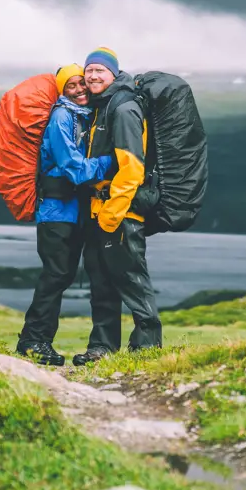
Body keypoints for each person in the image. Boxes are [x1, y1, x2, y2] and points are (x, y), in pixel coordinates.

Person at [16, 64, 113, 366]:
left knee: (61, 275)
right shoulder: (61, 117)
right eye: (71, 86)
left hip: (71, 212)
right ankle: (33, 342)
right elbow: (73, 167)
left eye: (81, 83)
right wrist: (112, 162)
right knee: (56, 275)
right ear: (62, 91)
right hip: (56, 211)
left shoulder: (82, 116)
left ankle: (38, 341)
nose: (80, 89)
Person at [72, 47, 163, 367]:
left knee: (131, 279)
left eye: (100, 71)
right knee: (101, 282)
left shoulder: (123, 109)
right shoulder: (102, 107)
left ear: (114, 74)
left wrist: (114, 211)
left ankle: (147, 349)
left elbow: (132, 167)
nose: (93, 76)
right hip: (100, 212)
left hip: (121, 212)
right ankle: (102, 348)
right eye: (89, 71)